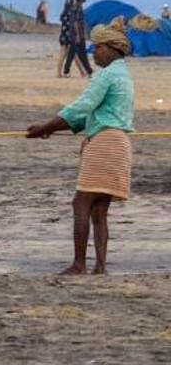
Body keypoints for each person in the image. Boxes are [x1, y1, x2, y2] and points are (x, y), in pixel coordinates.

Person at [28, 22, 134, 276]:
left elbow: (82, 107)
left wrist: (45, 127)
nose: (93, 52)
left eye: (97, 47)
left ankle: (79, 264)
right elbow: (83, 116)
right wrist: (51, 128)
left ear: (112, 49)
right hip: (120, 144)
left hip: (104, 143)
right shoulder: (124, 75)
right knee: (99, 211)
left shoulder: (107, 75)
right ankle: (100, 266)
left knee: (81, 203)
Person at [58, 0, 91, 78]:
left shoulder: (65, 13)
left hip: (64, 35)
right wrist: (79, 35)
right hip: (70, 35)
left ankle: (61, 73)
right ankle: (84, 72)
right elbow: (76, 23)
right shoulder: (75, 10)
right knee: (74, 54)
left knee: (68, 54)